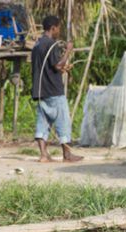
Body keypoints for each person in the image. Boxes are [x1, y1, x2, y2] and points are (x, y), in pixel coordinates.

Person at [31, 15, 82, 163]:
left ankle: (43, 155)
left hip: (40, 90)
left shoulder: (37, 44)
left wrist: (60, 68)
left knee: (43, 121)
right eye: (58, 28)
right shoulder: (52, 45)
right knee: (63, 121)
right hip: (54, 90)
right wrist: (68, 51)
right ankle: (67, 155)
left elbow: (47, 67)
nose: (59, 31)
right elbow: (57, 65)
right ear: (53, 28)